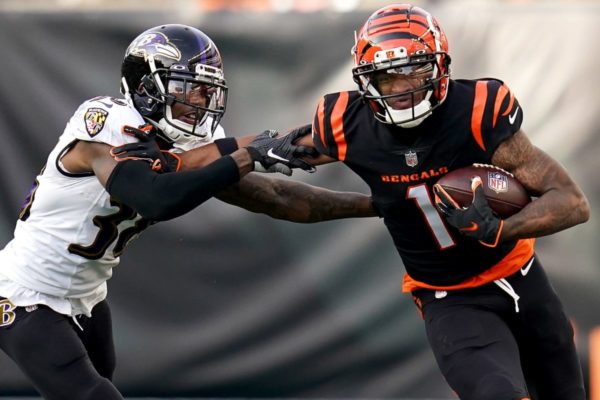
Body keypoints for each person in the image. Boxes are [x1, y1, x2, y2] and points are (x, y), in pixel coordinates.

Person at [117, 5, 591, 399]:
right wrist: (175, 161)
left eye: (413, 71)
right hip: (450, 298)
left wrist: (502, 229)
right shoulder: (348, 123)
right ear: (365, 80)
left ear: (440, 66)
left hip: (524, 278)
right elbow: (271, 156)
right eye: (387, 77)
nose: (402, 89)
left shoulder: (477, 112)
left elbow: (572, 202)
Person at [0, 24, 376, 400]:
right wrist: (247, 156)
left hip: (87, 296)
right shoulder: (105, 121)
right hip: (24, 292)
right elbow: (154, 198)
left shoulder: (189, 143)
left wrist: (378, 206)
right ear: (146, 87)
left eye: (208, 89)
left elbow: (276, 196)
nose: (201, 99)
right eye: (189, 87)